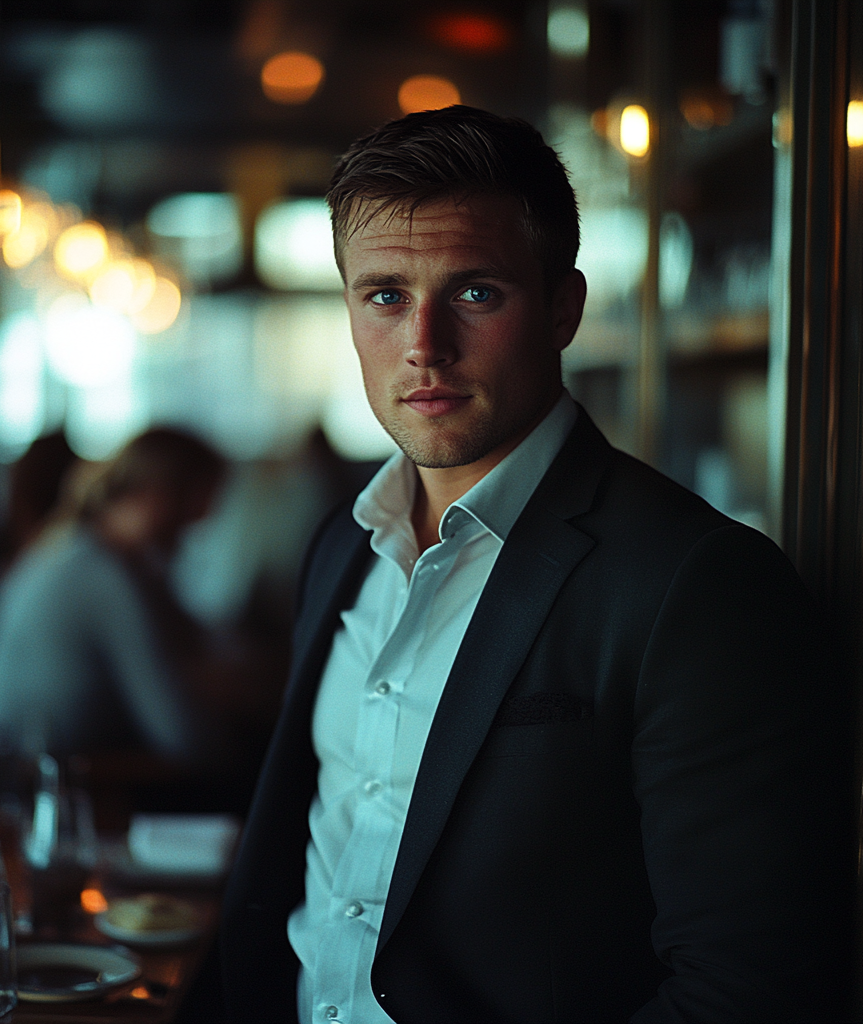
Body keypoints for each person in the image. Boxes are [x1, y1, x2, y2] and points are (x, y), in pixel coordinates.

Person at [214, 107, 851, 1022]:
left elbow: (749, 989)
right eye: (385, 295)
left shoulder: (698, 584)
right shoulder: (342, 542)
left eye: (475, 292)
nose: (424, 344)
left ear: (563, 308)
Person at [0, 428, 225, 762]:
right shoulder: (103, 576)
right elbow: (182, 734)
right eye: (200, 500)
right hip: (78, 783)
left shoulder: (72, 546)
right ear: (161, 492)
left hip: (42, 768)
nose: (204, 519)